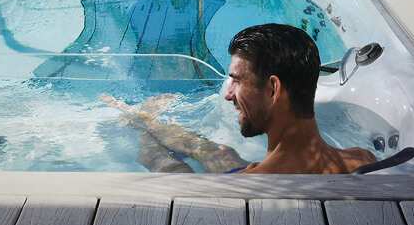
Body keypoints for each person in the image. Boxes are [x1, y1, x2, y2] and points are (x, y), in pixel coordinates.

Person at [104, 23, 377, 174]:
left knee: (159, 160)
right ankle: (144, 119)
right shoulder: (362, 159)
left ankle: (139, 120)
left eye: (238, 81)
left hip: (244, 179)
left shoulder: (239, 187)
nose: (227, 94)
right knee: (216, 151)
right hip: (267, 168)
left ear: (273, 89)